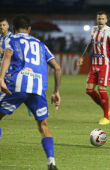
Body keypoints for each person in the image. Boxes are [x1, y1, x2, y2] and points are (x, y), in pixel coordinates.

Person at [0, 15, 61, 170]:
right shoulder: (40, 44)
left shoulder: (11, 40)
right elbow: (58, 68)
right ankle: (51, 161)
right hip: (38, 88)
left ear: (13, 29)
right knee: (44, 126)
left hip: (17, 85)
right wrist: (56, 92)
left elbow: (7, 55)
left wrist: (1, 78)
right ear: (29, 29)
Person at [78, 11, 110, 125]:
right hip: (94, 64)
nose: (100, 21)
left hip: (105, 64)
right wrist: (82, 57)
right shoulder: (93, 30)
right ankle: (108, 110)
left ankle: (106, 117)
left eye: (102, 19)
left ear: (106, 20)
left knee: (101, 89)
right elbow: (90, 44)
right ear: (96, 20)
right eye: (99, 19)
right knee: (89, 90)